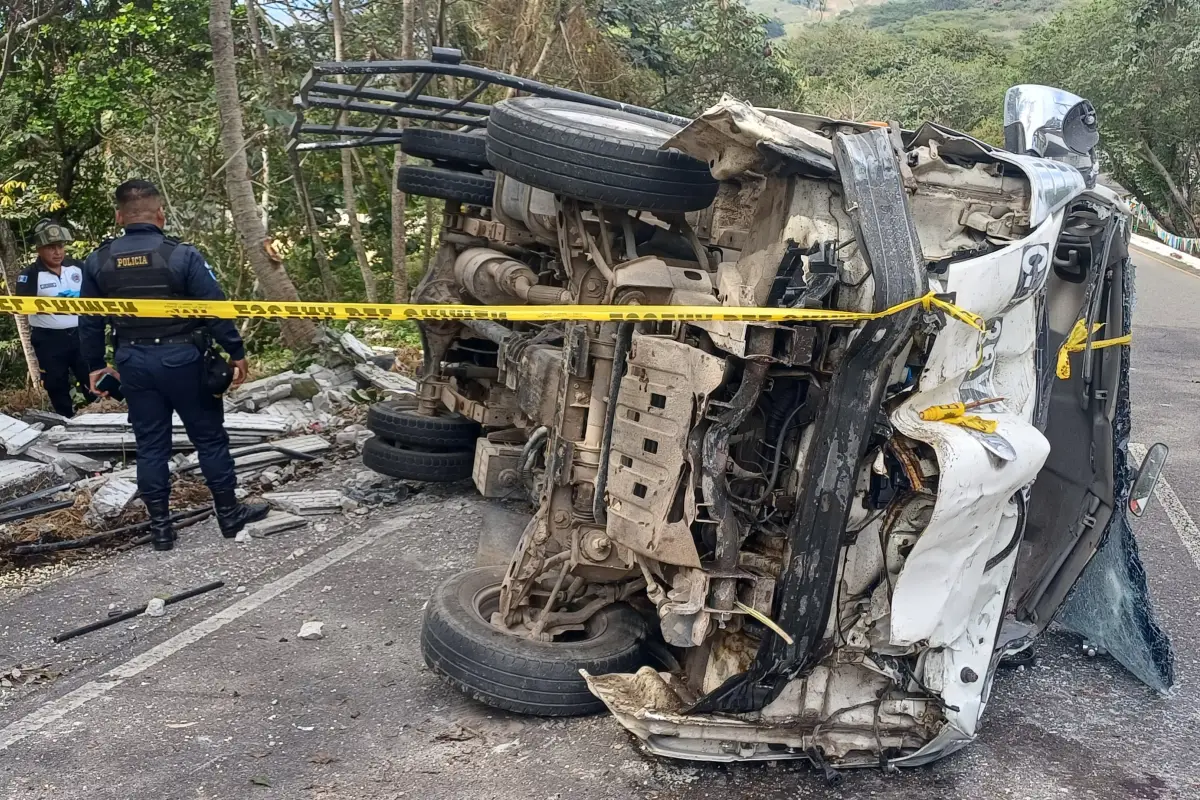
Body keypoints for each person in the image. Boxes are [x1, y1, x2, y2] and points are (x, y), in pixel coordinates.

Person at [80, 180, 268, 552]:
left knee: (151, 446)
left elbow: (88, 320)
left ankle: (161, 530)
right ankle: (229, 516)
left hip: (133, 361)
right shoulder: (181, 255)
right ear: (160, 214)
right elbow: (215, 307)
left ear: (120, 217)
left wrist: (95, 366)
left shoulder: (98, 260)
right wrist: (235, 350)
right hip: (184, 359)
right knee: (209, 438)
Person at [14, 219, 97, 417]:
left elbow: (96, 294)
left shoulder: (78, 267)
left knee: (92, 378)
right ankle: (65, 421)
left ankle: (101, 416)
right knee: (56, 383)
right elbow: (22, 306)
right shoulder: (30, 275)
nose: (57, 252)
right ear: (39, 249)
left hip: (80, 334)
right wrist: (54, 306)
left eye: (60, 246)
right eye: (51, 247)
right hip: (49, 338)